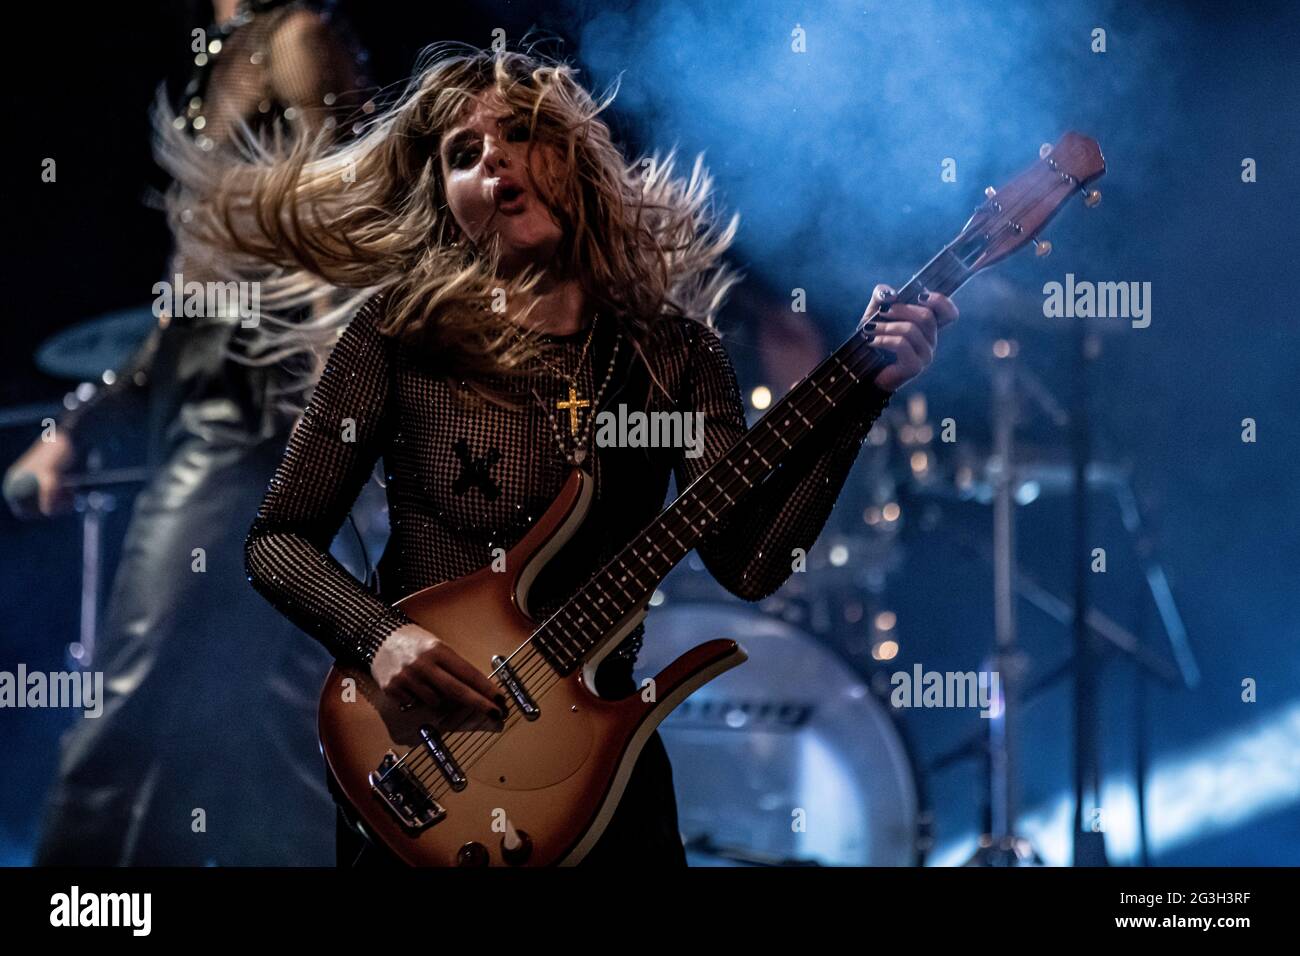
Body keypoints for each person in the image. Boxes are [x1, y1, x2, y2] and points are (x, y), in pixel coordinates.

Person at [164, 42, 958, 866]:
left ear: (575, 159)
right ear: (447, 204)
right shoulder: (399, 339)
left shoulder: (674, 354)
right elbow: (278, 540)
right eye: (463, 156)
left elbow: (751, 564)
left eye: (520, 135)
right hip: (426, 765)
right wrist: (380, 637)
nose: (495, 161)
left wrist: (863, 395)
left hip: (601, 776)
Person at [4, 0, 368, 865]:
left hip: (255, 406)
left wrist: (343, 387)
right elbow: (183, 300)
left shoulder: (294, 37)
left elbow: (335, 217)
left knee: (136, 688)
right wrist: (76, 425)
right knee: (263, 721)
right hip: (214, 387)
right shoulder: (225, 56)